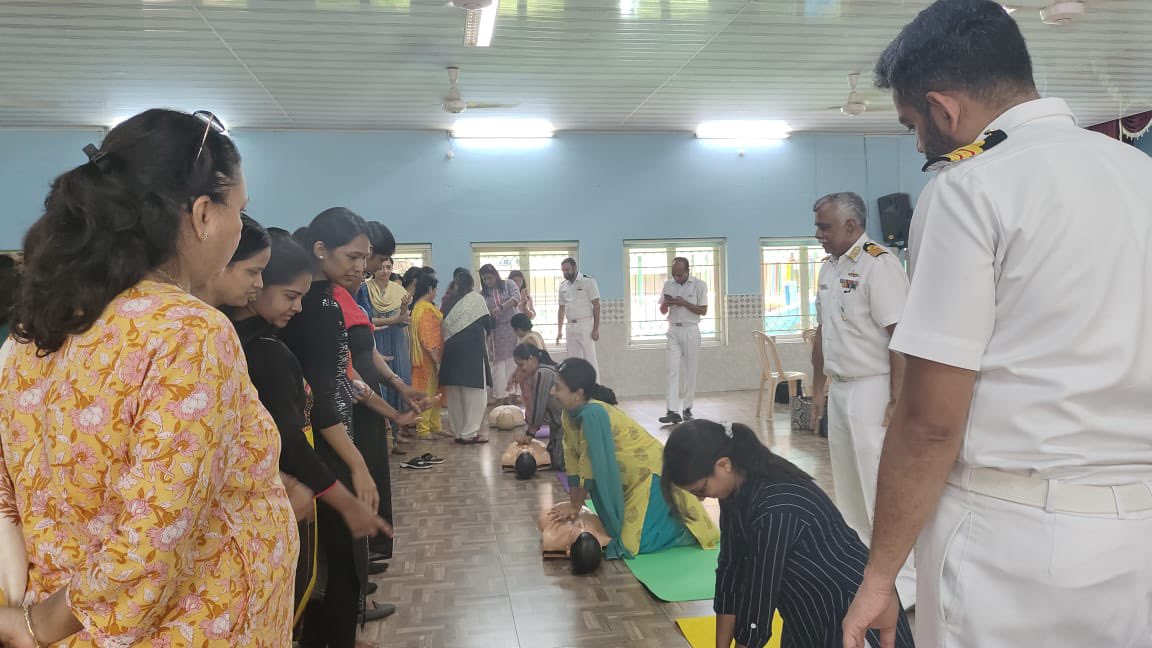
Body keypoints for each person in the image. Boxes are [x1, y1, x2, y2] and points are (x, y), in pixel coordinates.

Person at [842, 2, 1152, 647]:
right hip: (1137, 537)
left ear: (943, 108)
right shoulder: (1139, 175)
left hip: (1013, 543)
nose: (921, 144)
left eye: (912, 126)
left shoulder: (972, 189)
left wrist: (880, 577)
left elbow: (930, 424)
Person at [0, 108, 297, 646]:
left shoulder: (35, 332)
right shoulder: (190, 331)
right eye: (240, 209)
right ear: (203, 214)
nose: (238, 227)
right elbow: (158, 528)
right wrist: (39, 625)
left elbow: (7, 491)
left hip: (67, 619)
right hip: (188, 630)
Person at [224, 227, 393, 626]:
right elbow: (291, 436)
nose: (297, 308)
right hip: (282, 490)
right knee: (315, 584)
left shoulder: (258, 339)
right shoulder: (263, 349)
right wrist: (346, 497)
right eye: (289, 296)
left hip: (292, 482)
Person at [663, 420, 915, 648]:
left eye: (702, 488)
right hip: (804, 611)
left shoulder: (774, 507)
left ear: (724, 465)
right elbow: (730, 573)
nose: (702, 497)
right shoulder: (734, 491)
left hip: (848, 605)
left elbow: (758, 602)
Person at [280, 208, 383, 646]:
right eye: (352, 256)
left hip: (328, 435)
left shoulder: (323, 299)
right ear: (320, 250)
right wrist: (356, 462)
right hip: (327, 443)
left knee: (326, 555)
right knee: (339, 557)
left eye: (365, 257)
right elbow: (320, 392)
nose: (360, 266)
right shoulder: (319, 304)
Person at [807, 192, 915, 609]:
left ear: (852, 226)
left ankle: (903, 582)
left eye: (825, 227)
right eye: (817, 226)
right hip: (842, 387)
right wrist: (818, 391)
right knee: (849, 488)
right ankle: (862, 572)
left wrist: (896, 399)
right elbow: (822, 333)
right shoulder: (829, 269)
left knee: (879, 487)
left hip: (874, 388)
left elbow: (900, 338)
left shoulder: (878, 264)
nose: (818, 234)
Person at [549, 358, 718, 558]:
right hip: (630, 480)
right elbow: (572, 458)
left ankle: (683, 529)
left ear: (578, 394)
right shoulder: (569, 414)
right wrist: (572, 503)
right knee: (617, 532)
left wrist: (575, 506)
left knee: (630, 545)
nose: (552, 392)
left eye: (558, 388)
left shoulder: (594, 414)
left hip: (649, 475)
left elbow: (588, 464)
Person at [361, 253, 412, 455]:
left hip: (395, 340)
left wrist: (404, 309)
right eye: (382, 267)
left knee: (398, 382)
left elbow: (403, 319)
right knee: (378, 385)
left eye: (388, 267)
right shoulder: (365, 288)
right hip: (375, 339)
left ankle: (397, 435)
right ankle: (382, 438)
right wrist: (393, 319)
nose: (385, 271)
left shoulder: (398, 290)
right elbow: (367, 319)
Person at [439, 272, 494, 444]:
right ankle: (469, 433)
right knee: (475, 393)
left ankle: (458, 432)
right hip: (472, 350)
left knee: (455, 392)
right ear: (471, 284)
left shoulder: (447, 301)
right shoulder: (476, 299)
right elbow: (488, 324)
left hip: (451, 349)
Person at [657, 257, 708, 425]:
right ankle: (672, 411)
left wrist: (683, 303)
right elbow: (662, 310)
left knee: (690, 371)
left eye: (679, 274)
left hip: (690, 330)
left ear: (688, 271)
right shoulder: (668, 284)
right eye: (674, 274)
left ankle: (687, 408)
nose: (676, 278)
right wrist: (667, 304)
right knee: (672, 370)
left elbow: (703, 310)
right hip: (673, 330)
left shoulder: (699, 285)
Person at [512, 343, 565, 471]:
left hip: (566, 425)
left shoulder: (542, 373)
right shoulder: (542, 370)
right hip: (558, 425)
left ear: (531, 359)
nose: (520, 369)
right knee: (550, 456)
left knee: (559, 463)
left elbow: (538, 406)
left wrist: (529, 433)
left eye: (521, 364)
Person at [408, 273, 445, 445]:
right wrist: (437, 360)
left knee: (433, 392)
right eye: (435, 289)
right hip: (427, 360)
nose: (436, 292)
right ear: (430, 289)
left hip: (425, 358)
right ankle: (423, 429)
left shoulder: (419, 307)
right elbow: (428, 339)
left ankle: (434, 426)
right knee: (426, 393)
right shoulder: (425, 310)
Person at [479, 264, 521, 405]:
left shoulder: (509, 284)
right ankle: (500, 396)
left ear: (496, 275)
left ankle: (512, 394)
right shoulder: (482, 294)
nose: (487, 282)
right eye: (484, 279)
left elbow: (516, 298)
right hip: (495, 332)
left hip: (511, 328)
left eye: (489, 278)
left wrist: (502, 307)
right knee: (498, 364)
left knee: (512, 362)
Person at [556, 258, 601, 372]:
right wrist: (559, 330)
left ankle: (594, 389)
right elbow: (561, 309)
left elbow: (596, 305)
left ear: (575, 268)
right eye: (563, 270)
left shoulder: (588, 281)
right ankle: (577, 387)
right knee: (573, 361)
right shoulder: (563, 286)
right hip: (570, 326)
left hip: (585, 325)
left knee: (590, 359)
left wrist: (596, 329)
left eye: (567, 269)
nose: (565, 272)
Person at [507, 313, 546, 421]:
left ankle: (533, 418)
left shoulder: (529, 340)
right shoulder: (536, 334)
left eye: (514, 330)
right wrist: (514, 375)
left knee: (530, 398)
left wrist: (516, 377)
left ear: (518, 329)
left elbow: (526, 364)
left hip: (532, 374)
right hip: (537, 372)